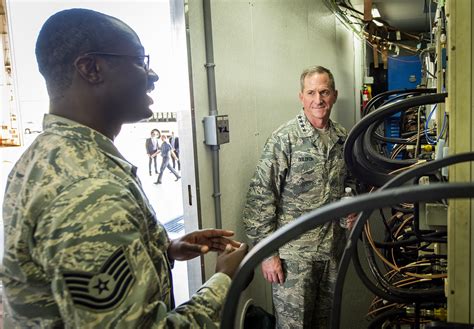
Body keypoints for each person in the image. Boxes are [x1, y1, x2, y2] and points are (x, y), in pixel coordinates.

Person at [2, 8, 248, 328]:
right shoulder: (90, 192)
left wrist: (164, 250)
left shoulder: (46, 157)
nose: (152, 75)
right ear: (91, 68)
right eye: (139, 61)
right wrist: (225, 279)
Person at [242, 66, 352, 328]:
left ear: (334, 95)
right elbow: (260, 199)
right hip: (294, 258)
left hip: (331, 253)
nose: (318, 100)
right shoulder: (285, 140)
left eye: (324, 92)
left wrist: (352, 204)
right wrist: (268, 255)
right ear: (301, 97)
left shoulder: (342, 138)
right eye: (311, 92)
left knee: (325, 323)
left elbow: (350, 183)